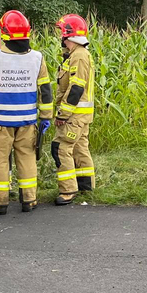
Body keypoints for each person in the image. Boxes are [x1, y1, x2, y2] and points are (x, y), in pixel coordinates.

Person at [0, 11, 53, 214]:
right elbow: (45, 90)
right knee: (27, 158)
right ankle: (29, 199)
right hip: (28, 120)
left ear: (2, 32)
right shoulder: (38, 57)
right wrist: (46, 117)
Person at [52, 14, 96, 206]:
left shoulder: (78, 56)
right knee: (80, 148)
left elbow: (76, 88)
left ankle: (68, 190)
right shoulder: (79, 54)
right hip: (82, 115)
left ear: (67, 34)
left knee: (61, 148)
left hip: (74, 114)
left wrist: (63, 114)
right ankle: (86, 186)